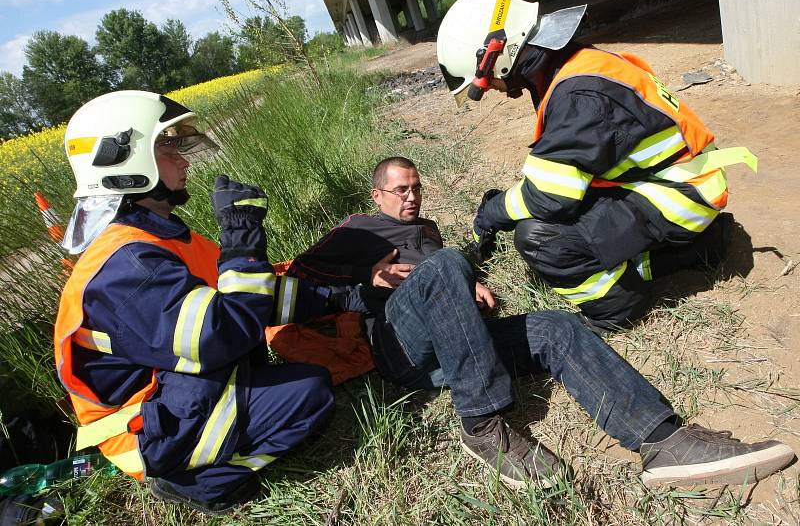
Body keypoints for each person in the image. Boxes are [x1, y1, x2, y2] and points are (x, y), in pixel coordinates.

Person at [288, 156, 794, 490]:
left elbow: (445, 274)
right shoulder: (353, 232)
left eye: (416, 188)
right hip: (400, 347)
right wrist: (365, 277)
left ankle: (663, 441)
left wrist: (466, 284)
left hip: (455, 342)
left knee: (555, 325)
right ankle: (483, 424)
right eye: (399, 191)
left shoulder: (427, 231)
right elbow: (296, 289)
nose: (410, 197)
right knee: (445, 267)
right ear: (376, 196)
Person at [53, 91, 335, 515]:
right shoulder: (127, 265)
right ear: (124, 160)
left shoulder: (155, 237)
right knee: (310, 393)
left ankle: (209, 451)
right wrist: (241, 237)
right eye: (167, 147)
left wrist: (345, 294)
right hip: (145, 430)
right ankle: (202, 482)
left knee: (297, 376)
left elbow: (247, 296)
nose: (184, 161)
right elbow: (220, 334)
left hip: (172, 395)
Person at [436, 0, 759, 330]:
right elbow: (562, 174)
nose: (493, 90)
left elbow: (548, 198)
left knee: (539, 237)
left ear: (496, 56)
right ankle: (696, 250)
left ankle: (618, 307)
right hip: (680, 181)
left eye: (487, 83)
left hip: (679, 195)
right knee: (567, 215)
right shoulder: (575, 67)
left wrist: (492, 213)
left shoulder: (579, 97)